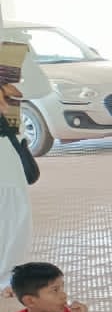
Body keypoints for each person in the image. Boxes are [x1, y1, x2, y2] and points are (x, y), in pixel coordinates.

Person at [0, 45, 47, 286]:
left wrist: (11, 89)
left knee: (14, 212)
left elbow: (42, 87)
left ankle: (7, 277)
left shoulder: (12, 52)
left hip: (5, 147)